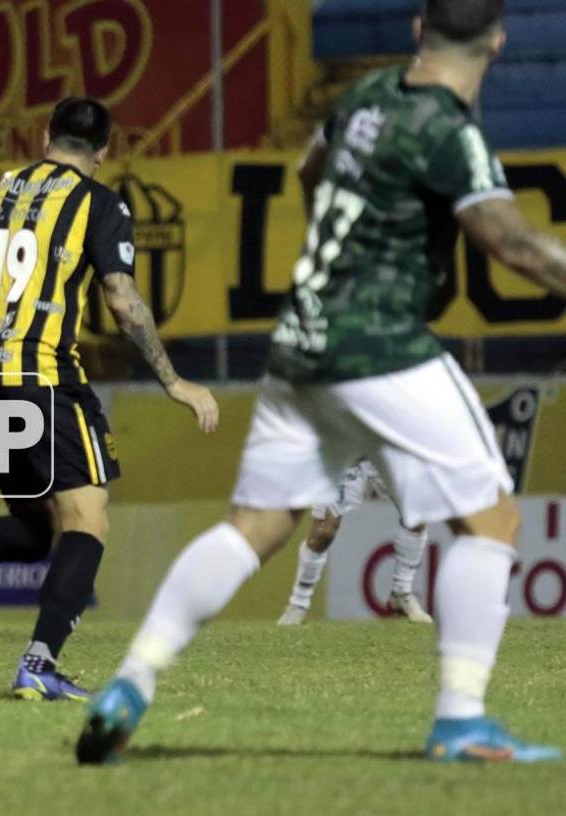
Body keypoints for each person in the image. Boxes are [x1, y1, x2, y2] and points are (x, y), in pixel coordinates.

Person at [77, 0, 565, 764]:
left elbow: (309, 166)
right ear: (497, 44)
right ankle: (461, 718)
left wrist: (336, 255)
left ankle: (133, 678)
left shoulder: (363, 101)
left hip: (302, 339)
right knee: (492, 522)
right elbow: (512, 243)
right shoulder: (452, 133)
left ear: (416, 32)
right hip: (385, 346)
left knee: (256, 526)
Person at [0, 97, 219, 701]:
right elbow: (121, 300)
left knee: (40, 526)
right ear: (103, 151)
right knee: (89, 520)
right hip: (41, 375)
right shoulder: (100, 203)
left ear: (46, 135)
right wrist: (174, 380)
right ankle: (38, 664)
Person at [277, 458, 432, 625]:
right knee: (325, 531)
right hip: (345, 447)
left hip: (381, 445)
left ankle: (402, 592)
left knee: (417, 514)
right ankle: (299, 603)